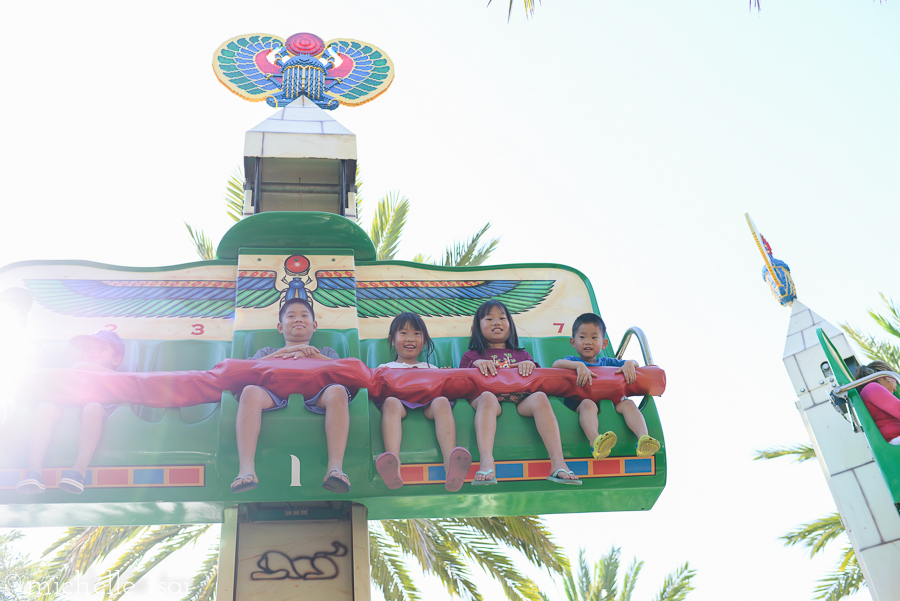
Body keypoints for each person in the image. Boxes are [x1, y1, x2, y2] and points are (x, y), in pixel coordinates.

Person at [232, 298, 353, 494]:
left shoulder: (326, 352)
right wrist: (285, 352)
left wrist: (312, 356)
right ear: (280, 327)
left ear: (314, 326)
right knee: (249, 392)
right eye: (291, 316)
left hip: (316, 394)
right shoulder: (268, 352)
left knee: (338, 391)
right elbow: (247, 370)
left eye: (304, 315)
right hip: (274, 394)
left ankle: (335, 468)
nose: (298, 319)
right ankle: (246, 469)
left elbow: (343, 371)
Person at [459, 300, 580, 485]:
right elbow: (461, 379)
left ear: (510, 325)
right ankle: (486, 459)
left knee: (539, 398)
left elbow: (538, 379)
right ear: (478, 327)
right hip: (487, 396)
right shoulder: (472, 355)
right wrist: (475, 365)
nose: (496, 322)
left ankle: (558, 461)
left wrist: (530, 365)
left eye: (502, 318)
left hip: (519, 396)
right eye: (489, 318)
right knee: (487, 398)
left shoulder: (522, 354)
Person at [16, 330, 125, 494]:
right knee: (45, 407)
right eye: (88, 348)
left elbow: (125, 386)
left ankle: (78, 472)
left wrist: (85, 366)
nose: (92, 351)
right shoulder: (73, 374)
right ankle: (33, 472)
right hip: (67, 409)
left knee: (93, 407)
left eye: (102, 348)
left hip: (95, 411)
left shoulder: (117, 377)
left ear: (116, 359)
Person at [374, 312, 472, 492]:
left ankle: (450, 464)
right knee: (390, 403)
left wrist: (445, 377)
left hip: (428, 402)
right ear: (392, 340)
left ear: (424, 341)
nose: (410, 338)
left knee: (442, 401)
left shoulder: (430, 368)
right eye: (403, 333)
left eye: (417, 334)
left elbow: (442, 388)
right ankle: (392, 463)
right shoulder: (385, 368)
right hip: (400, 402)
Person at [552, 313, 660, 459]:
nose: (588, 342)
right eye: (582, 337)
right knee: (588, 405)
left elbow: (635, 363)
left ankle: (643, 438)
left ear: (604, 344)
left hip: (611, 402)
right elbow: (556, 365)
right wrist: (579, 366)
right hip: (582, 401)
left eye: (594, 337)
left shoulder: (608, 362)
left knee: (628, 404)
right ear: (573, 342)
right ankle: (595, 441)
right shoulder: (572, 360)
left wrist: (629, 364)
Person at [855, 360, 900, 445]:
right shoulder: (871, 387)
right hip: (895, 439)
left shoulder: (870, 390)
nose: (895, 389)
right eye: (896, 382)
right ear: (887, 375)